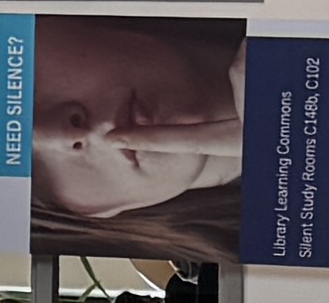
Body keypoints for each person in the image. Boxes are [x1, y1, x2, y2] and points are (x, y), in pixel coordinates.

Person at [26, 16, 253, 271]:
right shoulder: (267, 286)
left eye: (17, 90)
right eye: (31, 174)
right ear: (93, 214)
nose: (65, 136)